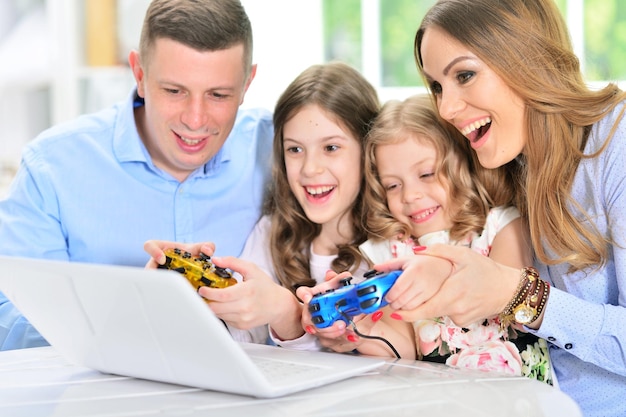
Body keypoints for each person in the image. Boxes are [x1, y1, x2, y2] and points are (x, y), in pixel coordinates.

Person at [364, 0, 626, 415]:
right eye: (437, 86)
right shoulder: (509, 164)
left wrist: (521, 296)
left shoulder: (618, 144)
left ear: (526, 56)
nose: (446, 109)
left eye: (464, 75)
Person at [0, 0, 273, 350]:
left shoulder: (281, 148)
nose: (195, 119)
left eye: (219, 95)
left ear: (247, 83)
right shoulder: (52, 166)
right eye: (174, 91)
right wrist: (124, 316)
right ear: (139, 74)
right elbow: (8, 317)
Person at [144, 61, 380, 348]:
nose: (310, 169)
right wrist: (198, 291)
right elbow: (242, 338)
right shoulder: (272, 233)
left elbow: (380, 359)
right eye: (295, 149)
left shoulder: (389, 248)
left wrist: (286, 310)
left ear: (369, 150)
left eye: (331, 148)